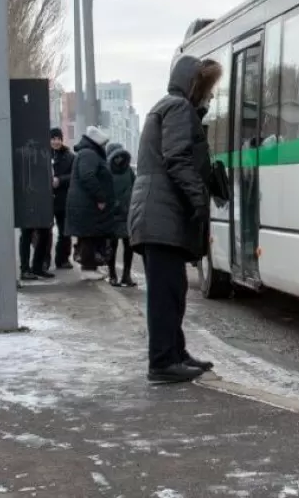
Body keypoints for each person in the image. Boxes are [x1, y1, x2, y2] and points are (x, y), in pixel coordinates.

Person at [130, 55, 223, 384]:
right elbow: (178, 157)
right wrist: (198, 198)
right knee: (166, 293)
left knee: (173, 289)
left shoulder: (171, 107)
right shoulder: (178, 109)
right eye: (208, 90)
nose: (210, 97)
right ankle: (162, 361)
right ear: (194, 85)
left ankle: (175, 352)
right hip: (162, 215)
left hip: (158, 214)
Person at [66, 125, 115, 280]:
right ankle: (87, 268)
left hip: (85, 204)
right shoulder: (89, 154)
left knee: (90, 235)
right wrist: (100, 197)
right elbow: (87, 176)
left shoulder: (87, 153)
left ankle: (91, 266)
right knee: (88, 235)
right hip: (86, 205)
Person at [105, 141, 137, 288]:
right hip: (112, 214)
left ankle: (126, 275)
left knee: (129, 246)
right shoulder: (106, 170)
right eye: (115, 156)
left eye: (120, 156)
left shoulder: (129, 171)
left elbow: (136, 187)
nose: (118, 159)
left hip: (127, 214)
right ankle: (112, 274)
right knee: (112, 245)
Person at [49, 128, 75, 270]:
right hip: (46, 199)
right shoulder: (43, 153)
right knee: (45, 232)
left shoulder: (70, 156)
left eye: (58, 138)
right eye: (53, 139)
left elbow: (74, 175)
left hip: (63, 198)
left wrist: (60, 180)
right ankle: (44, 261)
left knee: (65, 231)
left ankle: (63, 259)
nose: (56, 141)